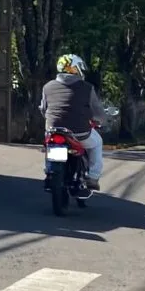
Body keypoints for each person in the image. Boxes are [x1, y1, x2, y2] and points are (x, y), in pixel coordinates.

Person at [39, 53, 106, 191]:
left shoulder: (47, 87)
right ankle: (93, 177)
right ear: (75, 69)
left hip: (53, 130)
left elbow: (43, 109)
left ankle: (49, 171)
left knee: (50, 145)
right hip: (79, 133)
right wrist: (101, 120)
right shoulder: (87, 88)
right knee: (97, 143)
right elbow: (98, 112)